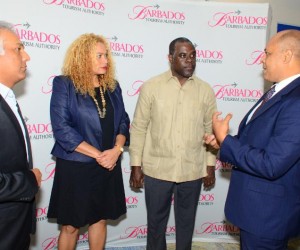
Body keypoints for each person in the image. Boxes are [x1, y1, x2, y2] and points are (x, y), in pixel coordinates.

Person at [205, 29, 300, 249]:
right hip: (257, 213)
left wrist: (227, 141)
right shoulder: (278, 92)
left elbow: (272, 164)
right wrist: (223, 142)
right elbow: (260, 141)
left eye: (267, 53)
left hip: (268, 217)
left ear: (286, 56)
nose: (262, 59)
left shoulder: (296, 101)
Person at [129, 37, 217, 250]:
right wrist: (135, 166)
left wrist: (210, 165)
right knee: (156, 226)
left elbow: (210, 131)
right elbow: (139, 128)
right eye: (183, 55)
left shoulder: (205, 90)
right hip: (157, 169)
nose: (190, 61)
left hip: (192, 170)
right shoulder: (151, 87)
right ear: (170, 58)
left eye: (193, 56)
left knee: (187, 224)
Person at [47, 33, 130, 250]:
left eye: (106, 55)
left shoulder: (113, 86)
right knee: (71, 226)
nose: (106, 61)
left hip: (109, 164)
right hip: (76, 166)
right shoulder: (64, 84)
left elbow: (123, 121)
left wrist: (117, 150)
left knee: (100, 219)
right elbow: (62, 129)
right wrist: (100, 155)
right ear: (82, 57)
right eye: (99, 56)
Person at [0, 21, 42, 249]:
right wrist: (28, 181)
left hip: (15, 227)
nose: (26, 57)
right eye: (18, 49)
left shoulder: (7, 97)